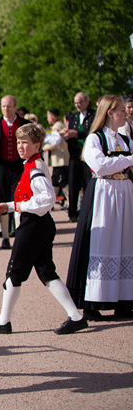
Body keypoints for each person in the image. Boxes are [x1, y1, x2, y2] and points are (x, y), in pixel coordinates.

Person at [0, 124, 87, 335]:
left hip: (33, 226)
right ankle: (76, 317)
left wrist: (18, 206)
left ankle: (3, 322)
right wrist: (10, 206)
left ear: (37, 145)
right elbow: (31, 197)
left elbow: (47, 198)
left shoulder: (35, 168)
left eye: (25, 143)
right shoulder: (32, 164)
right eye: (18, 142)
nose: (20, 146)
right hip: (41, 224)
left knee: (14, 273)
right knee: (46, 272)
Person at [65, 94, 133, 320]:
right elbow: (101, 166)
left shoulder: (124, 139)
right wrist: (129, 160)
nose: (126, 113)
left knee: (124, 242)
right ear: (111, 113)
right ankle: (92, 303)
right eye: (122, 110)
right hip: (104, 193)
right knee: (102, 242)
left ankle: (124, 301)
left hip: (124, 193)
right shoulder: (95, 139)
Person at [0, 95, 31, 248]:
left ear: (15, 107)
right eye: (4, 106)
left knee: (19, 200)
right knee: (2, 200)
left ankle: (20, 235)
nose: (6, 109)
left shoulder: (25, 124)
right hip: (1, 167)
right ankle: (5, 237)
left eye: (9, 106)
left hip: (19, 167)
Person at [62, 92, 96, 222]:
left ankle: (87, 211)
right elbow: (70, 135)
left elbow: (92, 132)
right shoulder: (74, 116)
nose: (77, 105)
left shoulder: (93, 114)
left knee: (88, 184)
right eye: (75, 103)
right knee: (73, 184)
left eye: (79, 103)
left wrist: (76, 133)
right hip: (75, 155)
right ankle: (72, 213)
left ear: (86, 102)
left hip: (88, 156)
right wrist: (67, 135)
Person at [43, 108, 69, 207]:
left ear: (52, 116)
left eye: (48, 116)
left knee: (60, 181)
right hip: (61, 158)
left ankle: (51, 203)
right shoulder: (61, 124)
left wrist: (44, 147)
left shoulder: (57, 126)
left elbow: (55, 142)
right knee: (58, 180)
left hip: (59, 159)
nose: (47, 119)